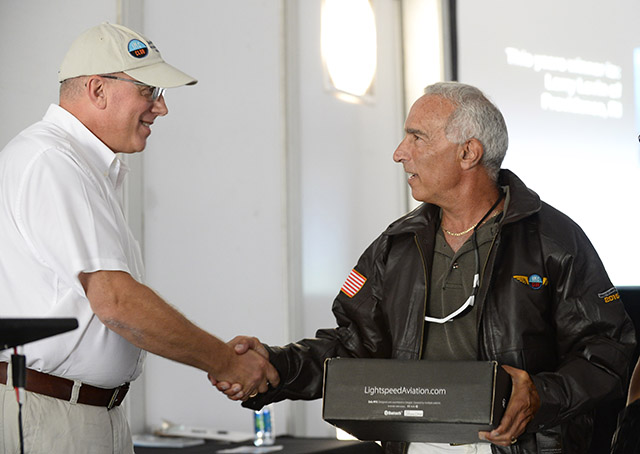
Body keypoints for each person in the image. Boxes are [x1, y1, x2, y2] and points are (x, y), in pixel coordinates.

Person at [214, 82, 636, 454]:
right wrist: (275, 365)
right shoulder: (393, 246)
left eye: (417, 137)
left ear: (469, 152)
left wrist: (542, 395)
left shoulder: (555, 240)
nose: (399, 153)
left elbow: (610, 352)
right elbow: (350, 348)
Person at [0, 23, 279, 454]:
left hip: (84, 412)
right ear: (97, 89)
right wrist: (224, 361)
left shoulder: (79, 165)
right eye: (149, 91)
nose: (161, 108)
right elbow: (117, 302)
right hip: (53, 416)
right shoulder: (52, 161)